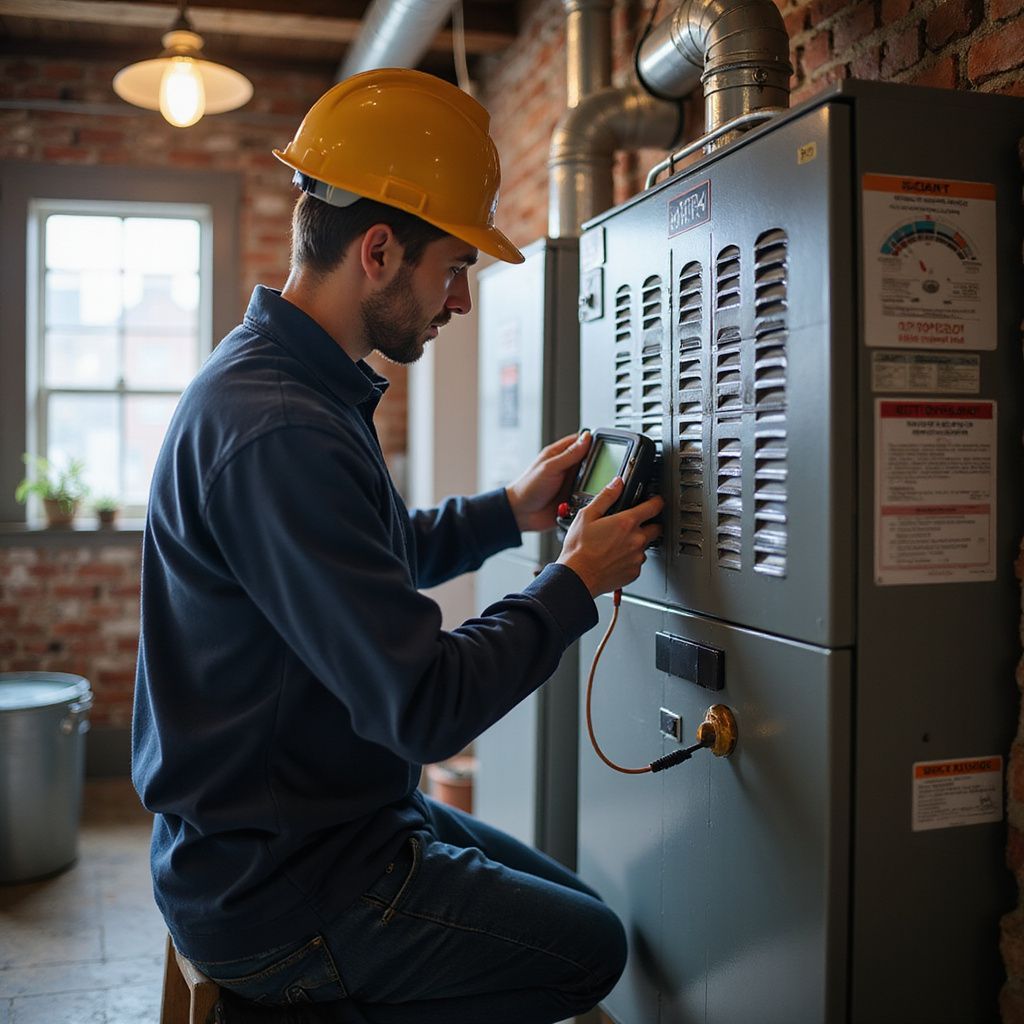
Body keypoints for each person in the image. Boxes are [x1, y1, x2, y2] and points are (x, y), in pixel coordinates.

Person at [132, 67, 663, 1023]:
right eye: (452, 267)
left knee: (578, 914)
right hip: (284, 884)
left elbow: (367, 562)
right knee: (589, 953)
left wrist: (512, 509)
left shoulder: (296, 385)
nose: (459, 300)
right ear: (379, 250)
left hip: (313, 825)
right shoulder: (281, 427)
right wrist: (576, 581)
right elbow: (423, 706)